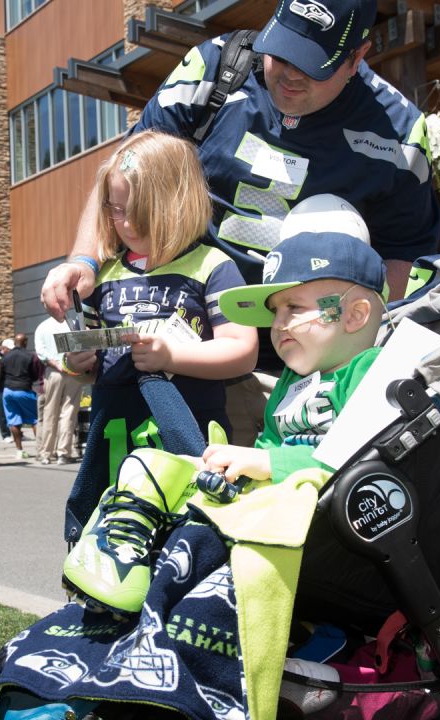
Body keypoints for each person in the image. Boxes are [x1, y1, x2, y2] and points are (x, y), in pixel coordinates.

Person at [40, 0, 438, 444]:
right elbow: (128, 176)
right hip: (191, 342)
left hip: (313, 359)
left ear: (356, 58)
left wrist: (355, 360)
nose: (287, 73)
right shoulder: (213, 68)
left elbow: (400, 256)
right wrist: (84, 260)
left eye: (311, 65)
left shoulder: (400, 133)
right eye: (280, 52)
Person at [65, 215, 385, 614]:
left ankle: (137, 576)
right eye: (275, 311)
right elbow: (269, 442)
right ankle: (117, 558)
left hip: (327, 525)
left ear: (354, 315)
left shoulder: (373, 371)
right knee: (156, 462)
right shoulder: (291, 380)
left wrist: (266, 463)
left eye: (294, 307)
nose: (278, 323)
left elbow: (364, 458)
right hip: (273, 508)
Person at [60, 130, 257, 527]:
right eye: (115, 209)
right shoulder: (104, 274)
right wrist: (77, 362)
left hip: (186, 442)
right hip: (113, 443)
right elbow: (89, 364)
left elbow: (242, 350)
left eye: (140, 211)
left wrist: (172, 356)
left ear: (177, 202)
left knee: (182, 533)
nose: (126, 223)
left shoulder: (212, 266)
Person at [33, 316, 83, 465]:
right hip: (73, 371)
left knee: (50, 412)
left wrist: (55, 363)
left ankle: (46, 453)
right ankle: (63, 452)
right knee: (69, 412)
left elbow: (41, 352)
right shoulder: (74, 324)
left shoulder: (43, 326)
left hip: (53, 372)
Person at [0, 332, 42, 461]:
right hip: (24, 390)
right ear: (26, 342)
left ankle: (19, 451)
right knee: (35, 419)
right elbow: (35, 374)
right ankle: (40, 449)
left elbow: (1, 373)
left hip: (8, 391)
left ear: (15, 342)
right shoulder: (30, 356)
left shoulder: (6, 356)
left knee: (14, 421)